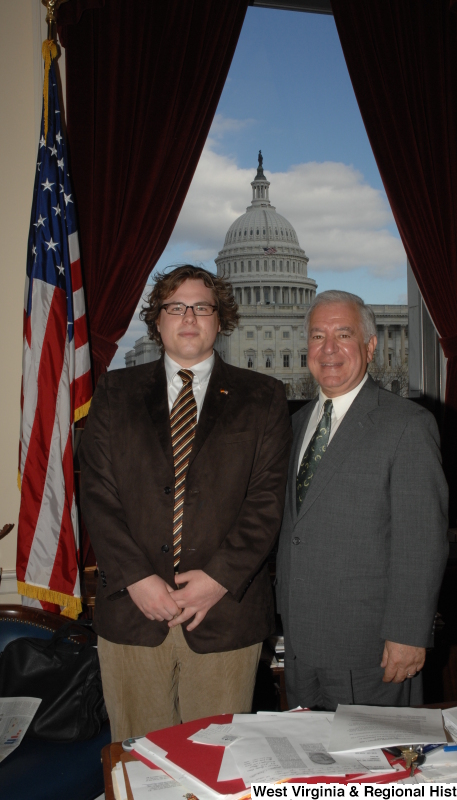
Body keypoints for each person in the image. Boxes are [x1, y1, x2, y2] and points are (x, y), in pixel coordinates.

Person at [79, 265, 291, 740]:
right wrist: (136, 578)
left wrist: (217, 580)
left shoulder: (263, 397)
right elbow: (97, 493)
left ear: (220, 320)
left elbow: (266, 500)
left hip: (224, 612)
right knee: (140, 758)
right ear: (158, 321)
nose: (189, 317)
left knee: (215, 762)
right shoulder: (115, 392)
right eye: (176, 307)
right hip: (132, 610)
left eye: (202, 307)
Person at [276, 290, 448, 710]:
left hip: (371, 650)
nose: (328, 349)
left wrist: (408, 633)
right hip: (301, 644)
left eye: (343, 335)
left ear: (370, 347)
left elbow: (421, 540)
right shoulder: (296, 424)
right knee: (309, 770)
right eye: (318, 336)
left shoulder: (407, 424)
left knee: (377, 771)